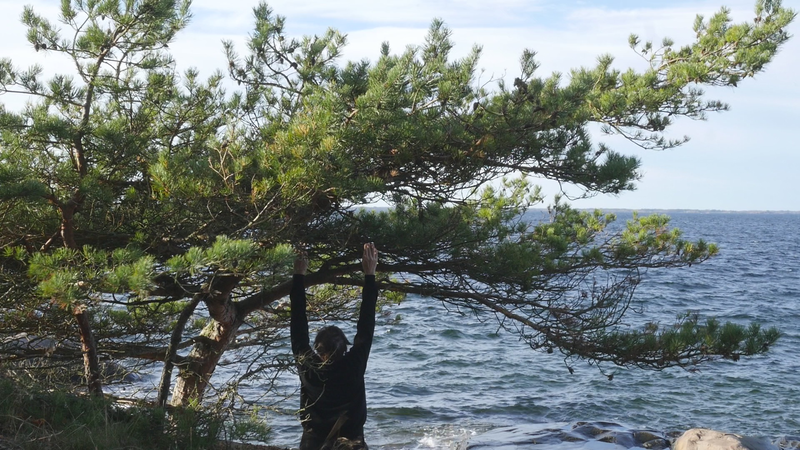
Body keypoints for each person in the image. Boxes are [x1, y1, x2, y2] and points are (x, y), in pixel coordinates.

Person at [290, 242, 379, 450]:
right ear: (344, 349)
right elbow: (366, 325)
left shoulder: (308, 365)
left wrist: (298, 275)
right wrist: (370, 275)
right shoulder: (354, 365)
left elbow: (298, 324)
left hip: (313, 443)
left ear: (317, 349)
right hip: (351, 443)